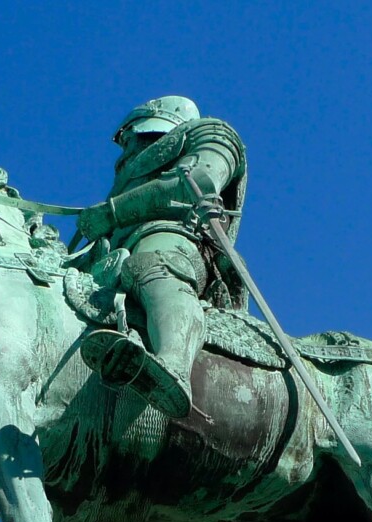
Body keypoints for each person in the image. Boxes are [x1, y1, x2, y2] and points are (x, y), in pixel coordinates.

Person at [76, 96, 247, 418]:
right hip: (113, 251)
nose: (126, 150)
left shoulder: (209, 132)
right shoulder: (126, 177)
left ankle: (174, 365)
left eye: (129, 140)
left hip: (177, 236)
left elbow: (199, 179)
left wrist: (113, 212)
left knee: (153, 265)